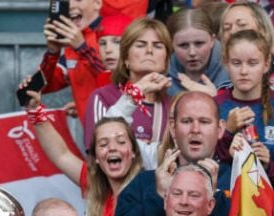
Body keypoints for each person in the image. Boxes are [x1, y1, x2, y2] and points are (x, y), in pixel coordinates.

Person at [27, 95, 146, 216]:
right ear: (96, 157)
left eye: (120, 142)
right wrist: (34, 109)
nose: (112, 148)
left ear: (133, 151)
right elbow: (61, 155)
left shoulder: (152, 188)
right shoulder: (99, 189)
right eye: (103, 144)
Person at [107, 91, 229, 216]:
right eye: (186, 121)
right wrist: (158, 195)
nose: (195, 129)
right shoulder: (145, 182)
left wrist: (212, 198)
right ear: (173, 127)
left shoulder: (236, 179)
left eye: (204, 122)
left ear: (220, 129)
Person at [216, 29, 274, 215]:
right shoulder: (216, 104)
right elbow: (200, 164)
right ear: (226, 63)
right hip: (223, 211)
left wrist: (269, 165)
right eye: (236, 63)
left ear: (266, 64)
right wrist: (227, 133)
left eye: (253, 63)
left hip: (270, 211)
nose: (244, 71)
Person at [85, 17, 172, 160]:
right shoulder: (103, 97)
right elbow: (98, 151)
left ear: (166, 59)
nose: (149, 50)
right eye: (140, 45)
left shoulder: (173, 105)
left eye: (157, 46)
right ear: (125, 58)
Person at [38, 0, 108, 123]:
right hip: (92, 135)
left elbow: (118, 84)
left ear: (97, 3)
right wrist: (52, 52)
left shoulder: (115, 34)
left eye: (78, 0)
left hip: (123, 132)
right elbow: (44, 86)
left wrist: (82, 48)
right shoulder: (72, 45)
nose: (70, 5)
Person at [167, 8, 230, 96]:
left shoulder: (233, 71)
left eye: (199, 43)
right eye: (183, 45)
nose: (192, 52)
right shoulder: (161, 74)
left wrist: (216, 99)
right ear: (171, 44)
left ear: (212, 40)